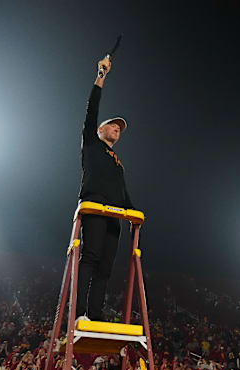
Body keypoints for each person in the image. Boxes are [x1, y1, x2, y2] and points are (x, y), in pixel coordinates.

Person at [75, 54, 134, 322]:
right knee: (91, 257)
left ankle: (94, 314)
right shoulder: (91, 142)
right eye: (113, 125)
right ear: (100, 129)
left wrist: (133, 214)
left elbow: (123, 189)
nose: (117, 129)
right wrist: (101, 75)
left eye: (120, 129)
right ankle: (78, 313)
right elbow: (91, 110)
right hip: (95, 203)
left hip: (115, 213)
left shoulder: (118, 162)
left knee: (106, 268)